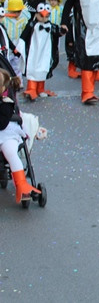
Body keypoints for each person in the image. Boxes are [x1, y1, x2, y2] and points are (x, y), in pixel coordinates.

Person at [0, 68, 40, 204]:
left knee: (11, 152)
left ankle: (22, 185)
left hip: (6, 132)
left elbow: (2, 123)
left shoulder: (6, 103)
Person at [20, 3, 62, 101]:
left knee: (43, 68)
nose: (43, 18)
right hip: (33, 52)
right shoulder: (32, 25)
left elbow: (58, 32)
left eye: (46, 16)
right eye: (41, 15)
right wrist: (19, 48)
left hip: (45, 52)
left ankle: (40, 88)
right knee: (33, 68)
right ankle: (31, 89)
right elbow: (24, 35)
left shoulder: (50, 26)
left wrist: (62, 30)